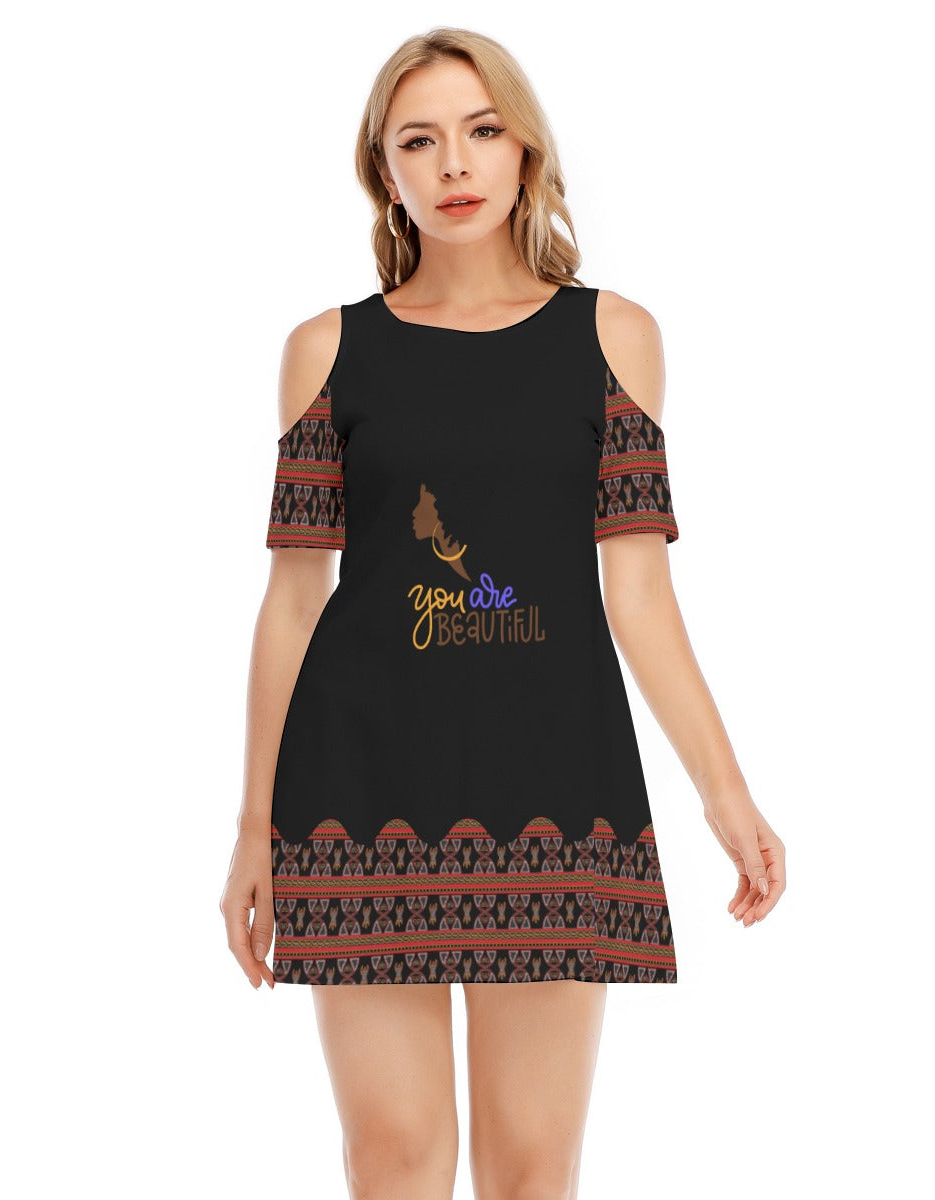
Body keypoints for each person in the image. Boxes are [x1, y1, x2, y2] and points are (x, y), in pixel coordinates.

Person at [221, 26, 786, 1200]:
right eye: (418, 141)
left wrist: (725, 794)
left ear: (525, 149)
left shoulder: (614, 339)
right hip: (359, 797)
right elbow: (292, 602)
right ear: (384, 171)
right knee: (395, 1159)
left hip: (554, 792)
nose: (454, 164)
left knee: (533, 1168)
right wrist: (254, 828)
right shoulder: (325, 352)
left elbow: (641, 594)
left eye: (482, 131)